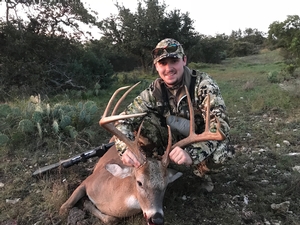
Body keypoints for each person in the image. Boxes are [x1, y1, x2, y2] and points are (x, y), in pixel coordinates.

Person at [114, 38, 233, 189]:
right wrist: (125, 149)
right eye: (163, 63)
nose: (168, 68)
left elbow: (220, 127)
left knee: (222, 153)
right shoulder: (154, 91)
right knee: (143, 126)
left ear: (184, 60)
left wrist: (192, 153)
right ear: (156, 66)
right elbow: (123, 121)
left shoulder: (204, 85)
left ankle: (201, 173)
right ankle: (157, 171)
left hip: (199, 140)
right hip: (170, 140)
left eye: (174, 61)